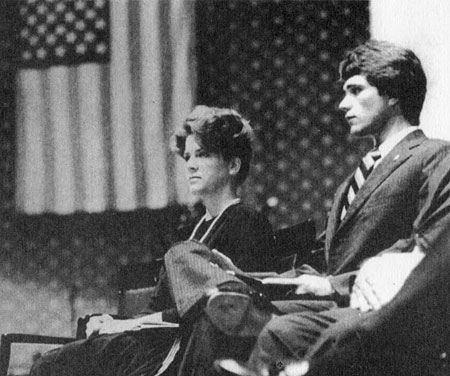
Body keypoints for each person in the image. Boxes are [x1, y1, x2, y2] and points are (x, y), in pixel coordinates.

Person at [186, 40, 450, 376]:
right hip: (330, 297)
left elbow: (431, 248)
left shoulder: (433, 156)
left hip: (376, 305)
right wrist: (249, 276)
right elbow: (325, 256)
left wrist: (337, 285)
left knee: (279, 333)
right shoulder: (355, 178)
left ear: (394, 94)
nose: (343, 104)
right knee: (216, 320)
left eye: (356, 91)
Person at [29, 105, 277, 376]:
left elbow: (229, 310)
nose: (191, 164)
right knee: (52, 363)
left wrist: (126, 326)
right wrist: (116, 322)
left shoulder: (246, 222)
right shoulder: (188, 233)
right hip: (159, 344)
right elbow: (158, 310)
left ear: (233, 164)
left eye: (203, 155)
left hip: (192, 350)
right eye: (187, 156)